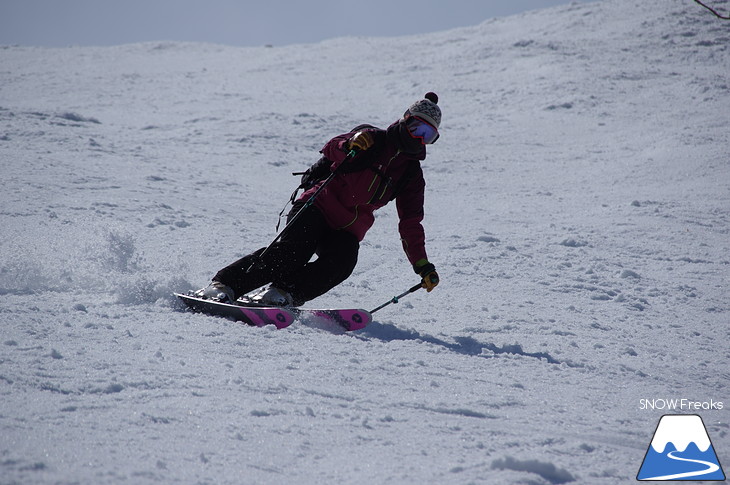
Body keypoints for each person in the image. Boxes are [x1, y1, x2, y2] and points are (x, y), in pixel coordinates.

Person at [195, 92, 442, 307]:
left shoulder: (411, 175)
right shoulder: (372, 138)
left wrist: (422, 265)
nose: (418, 138)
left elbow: (410, 223)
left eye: (428, 135)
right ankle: (224, 285)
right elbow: (331, 148)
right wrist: (350, 144)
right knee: (293, 252)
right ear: (404, 119)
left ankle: (280, 293)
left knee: (342, 264)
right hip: (318, 206)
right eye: (416, 128)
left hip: (347, 228)